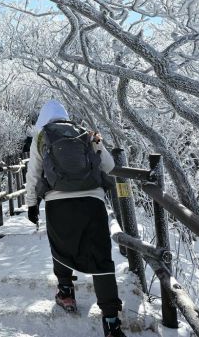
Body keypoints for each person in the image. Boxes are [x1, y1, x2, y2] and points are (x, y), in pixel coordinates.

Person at [24, 100, 126, 337]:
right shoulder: (85, 134)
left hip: (57, 203)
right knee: (101, 258)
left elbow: (33, 174)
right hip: (92, 201)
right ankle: (111, 321)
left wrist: (31, 204)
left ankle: (66, 294)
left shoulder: (41, 137)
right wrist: (98, 142)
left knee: (61, 249)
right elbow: (109, 167)